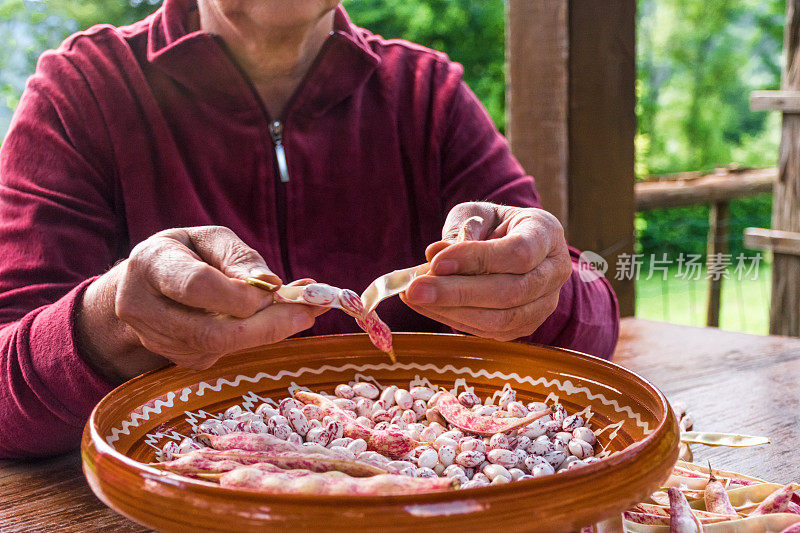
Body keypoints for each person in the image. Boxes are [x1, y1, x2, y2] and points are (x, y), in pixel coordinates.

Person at [0, 0, 618, 459]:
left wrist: (538, 288)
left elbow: (592, 310)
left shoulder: (429, 97)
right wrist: (110, 321)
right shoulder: (82, 91)